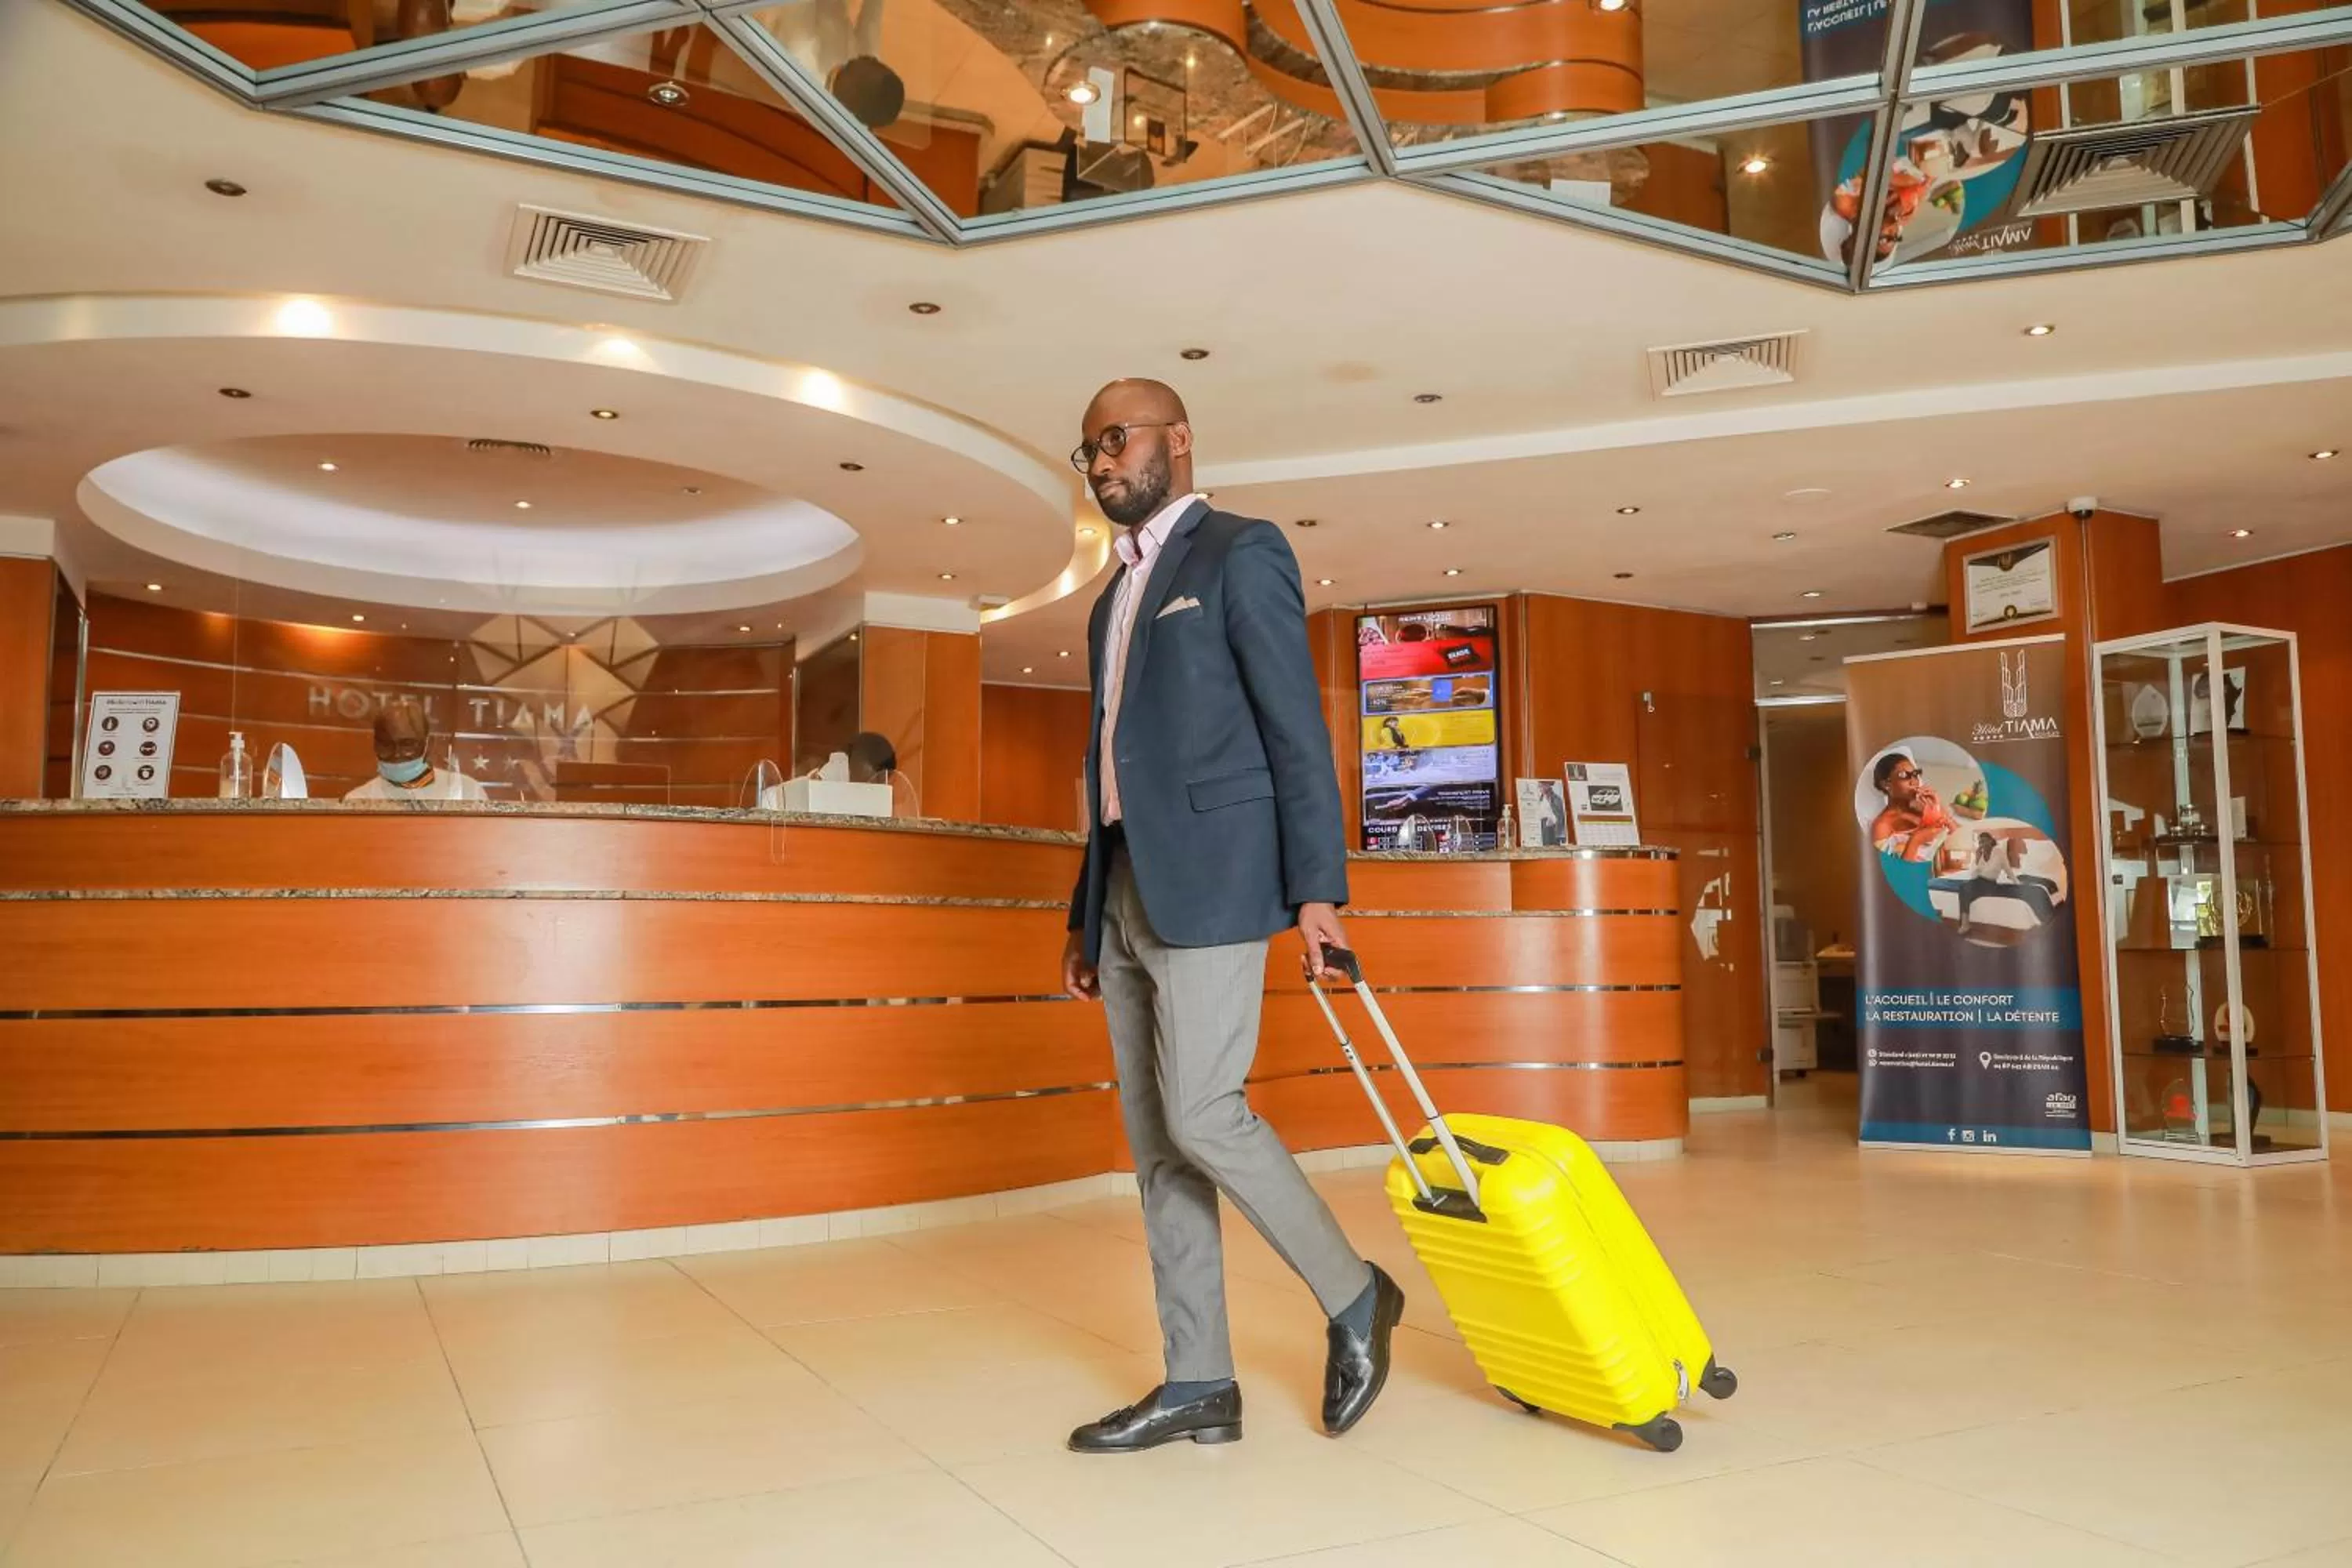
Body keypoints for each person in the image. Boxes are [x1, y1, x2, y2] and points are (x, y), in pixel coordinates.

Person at [1059, 379, 1402, 1454]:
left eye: (1117, 439)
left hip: (1213, 881)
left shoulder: (1240, 552)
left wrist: (1317, 891)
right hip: (1122, 891)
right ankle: (1199, 1378)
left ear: (1179, 438)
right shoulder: (1106, 602)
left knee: (1206, 1113)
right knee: (1160, 1147)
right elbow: (1109, 767)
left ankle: (1355, 1297)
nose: (1104, 462)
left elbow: (1294, 729)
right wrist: (1084, 919)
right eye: (1088, 452)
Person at [342, 697, 488, 802]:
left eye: (407, 744)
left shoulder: (468, 793)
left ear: (429, 745)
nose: (397, 754)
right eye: (386, 745)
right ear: (375, 745)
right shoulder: (358, 801)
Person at [1869, 750, 1952, 862]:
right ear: (1886, 784)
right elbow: (1897, 872)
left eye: (1915, 774)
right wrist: (1916, 840)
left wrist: (1938, 806)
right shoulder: (1882, 826)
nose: (1914, 782)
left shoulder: (1926, 807)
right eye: (1904, 775)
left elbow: (1963, 836)